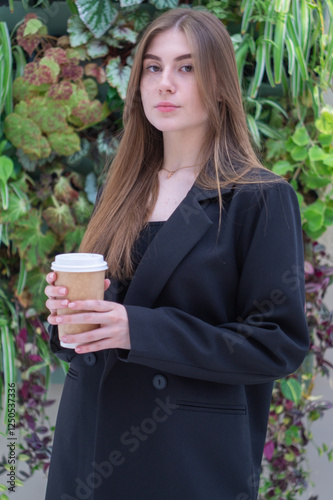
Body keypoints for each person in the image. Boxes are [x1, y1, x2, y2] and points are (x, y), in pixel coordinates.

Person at [44, 8, 309, 500]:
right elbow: (95, 326)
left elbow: (279, 344)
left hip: (182, 458)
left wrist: (136, 329)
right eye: (152, 67)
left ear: (221, 84)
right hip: (86, 452)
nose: (165, 83)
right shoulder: (121, 191)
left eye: (186, 68)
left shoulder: (258, 197)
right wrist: (66, 316)